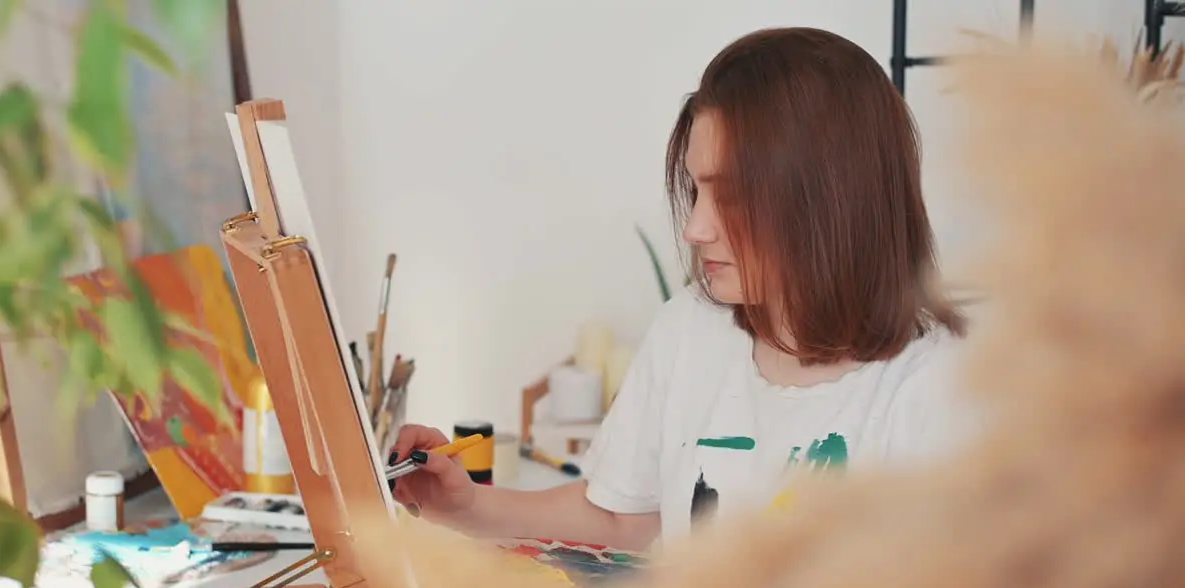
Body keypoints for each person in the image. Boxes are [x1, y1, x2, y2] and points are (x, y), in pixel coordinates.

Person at [389, 27, 970, 551]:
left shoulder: (938, 390)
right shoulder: (692, 326)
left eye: (733, 196)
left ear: (831, 202)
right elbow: (624, 517)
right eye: (697, 190)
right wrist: (464, 506)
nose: (695, 228)